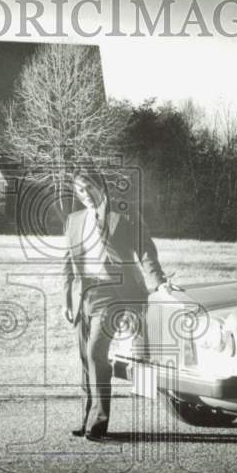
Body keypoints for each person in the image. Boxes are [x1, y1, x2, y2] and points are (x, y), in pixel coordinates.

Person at [61, 167, 179, 441]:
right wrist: (66, 298)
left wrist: (158, 281)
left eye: (89, 187)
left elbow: (146, 249)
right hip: (84, 296)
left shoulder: (123, 214)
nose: (85, 195)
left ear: (100, 186)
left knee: (95, 353)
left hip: (114, 294)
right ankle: (86, 417)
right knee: (84, 359)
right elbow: (67, 262)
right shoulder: (74, 220)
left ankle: (99, 423)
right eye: (79, 190)